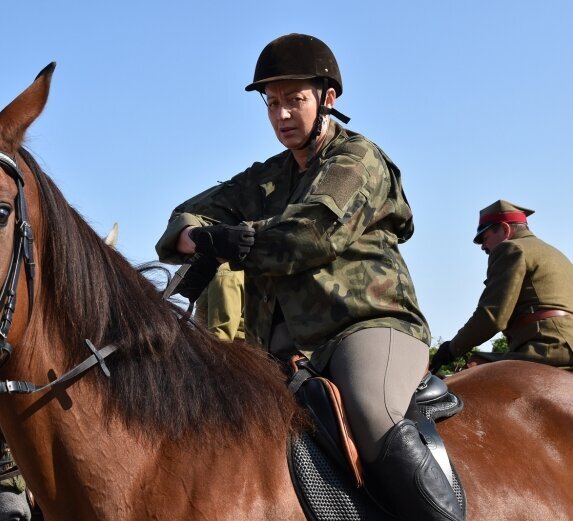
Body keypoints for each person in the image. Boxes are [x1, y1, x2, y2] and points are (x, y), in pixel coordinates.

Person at [156, 33, 462, 521]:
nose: (281, 115)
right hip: (279, 347)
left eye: (294, 100)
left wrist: (234, 238)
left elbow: (311, 234)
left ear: (327, 99)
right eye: (271, 102)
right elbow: (184, 217)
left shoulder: (357, 160)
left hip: (365, 326)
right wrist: (202, 238)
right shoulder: (265, 178)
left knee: (371, 411)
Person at [431, 200, 573, 372]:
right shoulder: (556, 254)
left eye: (485, 237)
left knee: (473, 366)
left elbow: (491, 317)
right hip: (567, 344)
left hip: (546, 348)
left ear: (505, 229)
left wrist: (452, 349)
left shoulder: (511, 248)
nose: (483, 246)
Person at [194, 263, 246, 341]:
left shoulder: (225, 273)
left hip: (227, 349)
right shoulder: (232, 271)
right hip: (238, 347)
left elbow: (221, 336)